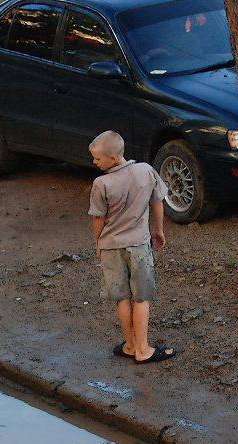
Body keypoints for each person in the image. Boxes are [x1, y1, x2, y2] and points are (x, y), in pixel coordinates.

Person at [88, 130, 176, 364]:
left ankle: (130, 344)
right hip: (138, 245)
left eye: (97, 159)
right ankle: (143, 349)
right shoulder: (146, 171)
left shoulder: (101, 183)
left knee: (122, 298)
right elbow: (157, 202)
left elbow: (98, 218)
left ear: (113, 158)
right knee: (141, 297)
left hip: (110, 247)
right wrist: (158, 230)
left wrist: (98, 242)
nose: (94, 162)